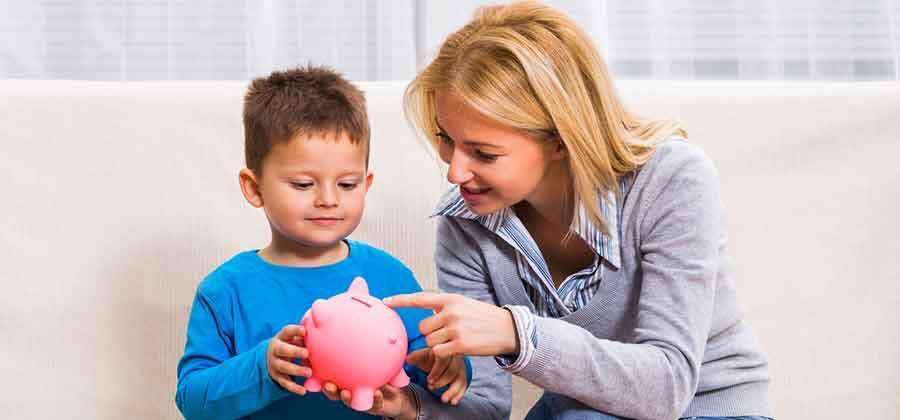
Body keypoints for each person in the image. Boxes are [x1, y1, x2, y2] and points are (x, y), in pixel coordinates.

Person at [386, 2, 773, 419]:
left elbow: (666, 387)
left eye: (484, 153)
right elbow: (488, 406)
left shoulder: (672, 178)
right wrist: (413, 407)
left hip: (710, 407)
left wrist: (518, 334)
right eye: (446, 138)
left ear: (560, 140)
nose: (454, 172)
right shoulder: (466, 222)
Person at [175, 65, 470, 420]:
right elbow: (192, 400)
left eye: (347, 184)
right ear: (254, 187)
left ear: (366, 184)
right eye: (303, 184)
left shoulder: (389, 275)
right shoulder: (226, 289)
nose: (328, 200)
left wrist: (450, 366)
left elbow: (433, 364)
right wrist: (263, 367)